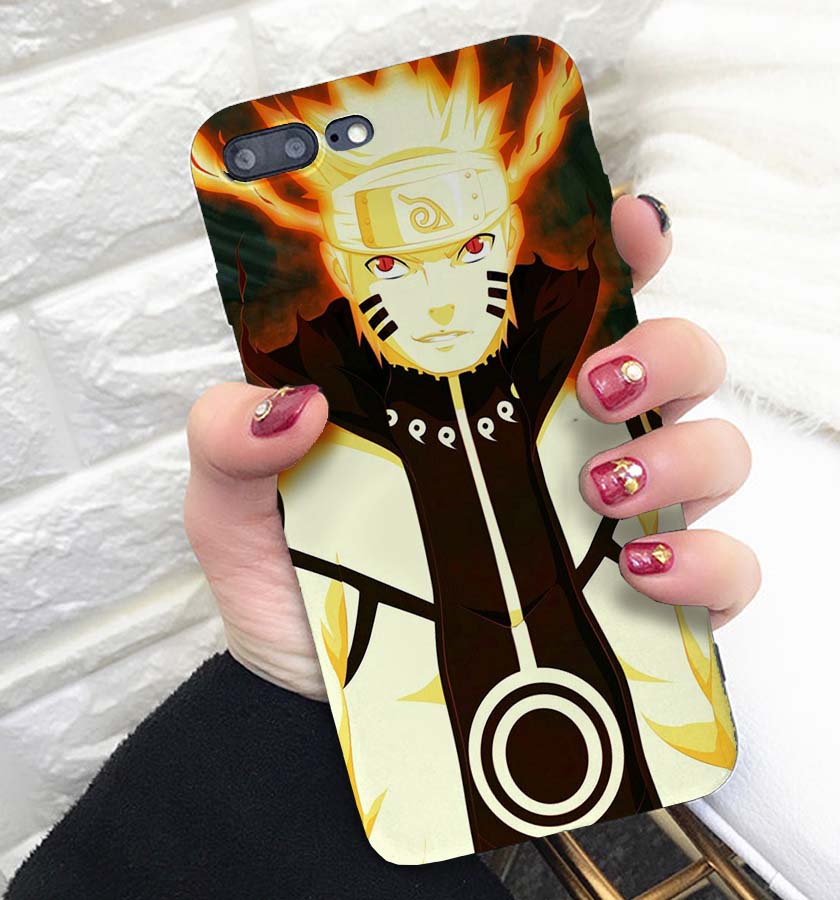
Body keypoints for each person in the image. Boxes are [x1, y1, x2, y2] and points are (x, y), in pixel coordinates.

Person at [5, 193, 760, 899]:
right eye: (390, 264)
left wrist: (285, 708)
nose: (440, 296)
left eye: (472, 250)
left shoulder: (538, 351)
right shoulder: (351, 399)